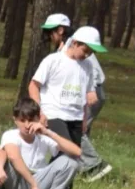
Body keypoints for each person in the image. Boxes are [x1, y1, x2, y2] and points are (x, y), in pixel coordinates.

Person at [29, 24, 105, 175]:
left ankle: (51, 185)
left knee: (71, 160)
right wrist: (40, 112)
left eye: (91, 53)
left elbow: (83, 95)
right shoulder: (54, 60)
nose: (87, 55)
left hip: (75, 117)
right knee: (68, 152)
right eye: (85, 50)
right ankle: (41, 180)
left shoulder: (88, 66)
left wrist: (84, 119)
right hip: (54, 114)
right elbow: (33, 86)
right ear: (75, 43)